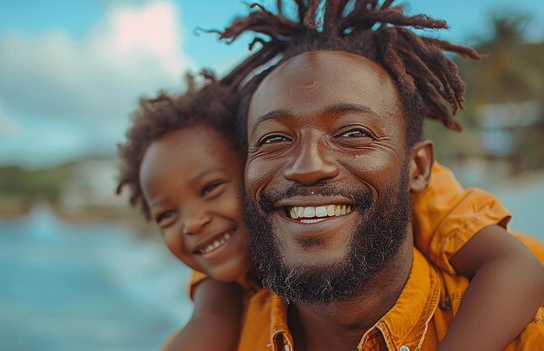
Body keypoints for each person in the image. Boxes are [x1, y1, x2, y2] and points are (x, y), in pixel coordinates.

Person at [117, 77, 544, 351]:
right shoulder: (224, 285)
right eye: (166, 216)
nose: (193, 222)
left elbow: (515, 268)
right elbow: (207, 325)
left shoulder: (426, 198)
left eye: (211, 189)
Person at [209, 0, 544, 350]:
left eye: (353, 133)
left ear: (418, 168)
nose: (307, 166)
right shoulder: (226, 332)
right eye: (274, 138)